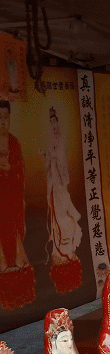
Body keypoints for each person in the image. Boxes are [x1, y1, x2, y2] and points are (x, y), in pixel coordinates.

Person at [43, 107, 84, 289]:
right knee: (57, 223)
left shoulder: (60, 141)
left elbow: (62, 162)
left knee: (67, 220)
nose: (53, 125)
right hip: (53, 186)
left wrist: (51, 155)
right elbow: (48, 165)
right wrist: (47, 156)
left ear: (58, 122)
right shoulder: (51, 141)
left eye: (55, 122)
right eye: (50, 123)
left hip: (61, 185)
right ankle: (61, 260)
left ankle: (69, 254)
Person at [0, 100, 34, 309]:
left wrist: (10, 168)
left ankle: (20, 294)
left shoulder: (13, 142)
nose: (3, 121)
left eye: (6, 117)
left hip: (12, 202)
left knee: (16, 244)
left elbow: (20, 174)